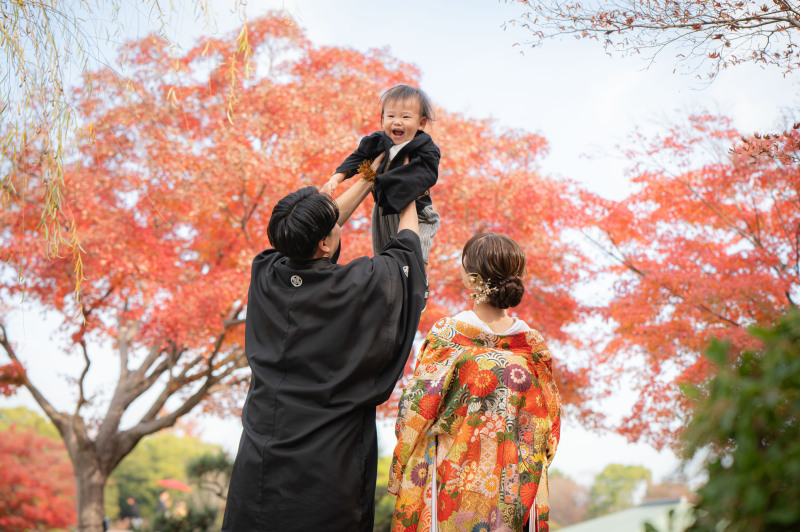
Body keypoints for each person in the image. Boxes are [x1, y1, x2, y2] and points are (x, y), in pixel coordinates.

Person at [222, 157, 428, 531]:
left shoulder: (265, 275)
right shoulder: (358, 284)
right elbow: (406, 254)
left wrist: (370, 173)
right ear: (324, 242)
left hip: (261, 462)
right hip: (328, 466)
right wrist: (408, 189)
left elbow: (311, 229)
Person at [389, 233, 562, 532]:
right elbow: (549, 427)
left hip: (452, 477)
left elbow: (415, 412)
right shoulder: (532, 346)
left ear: (470, 279)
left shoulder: (448, 334)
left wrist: (401, 462)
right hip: (515, 482)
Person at [321, 84, 441, 264]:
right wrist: (335, 179)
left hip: (417, 208)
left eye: (405, 117)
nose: (397, 121)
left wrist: (386, 180)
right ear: (383, 119)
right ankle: (388, 284)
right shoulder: (377, 141)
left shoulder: (424, 146)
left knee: (416, 254)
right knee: (384, 255)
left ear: (421, 123)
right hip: (383, 209)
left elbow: (428, 173)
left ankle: (419, 285)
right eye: (391, 116)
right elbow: (357, 158)